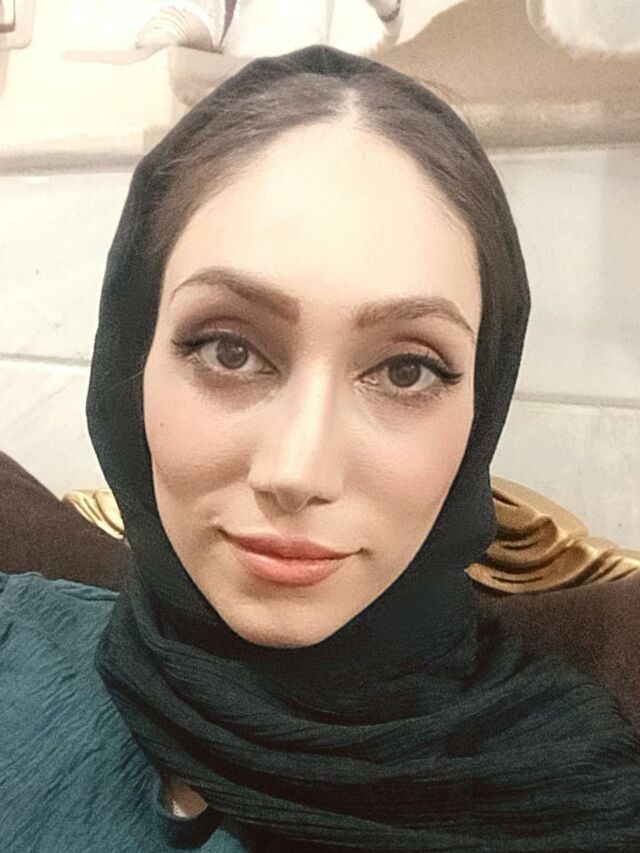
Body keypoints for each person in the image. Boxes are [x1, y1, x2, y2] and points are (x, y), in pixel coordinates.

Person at [2, 44, 639, 852]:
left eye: (406, 369)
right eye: (229, 349)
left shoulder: (574, 797)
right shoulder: (15, 653)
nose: (297, 471)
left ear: (482, 405)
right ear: (133, 361)